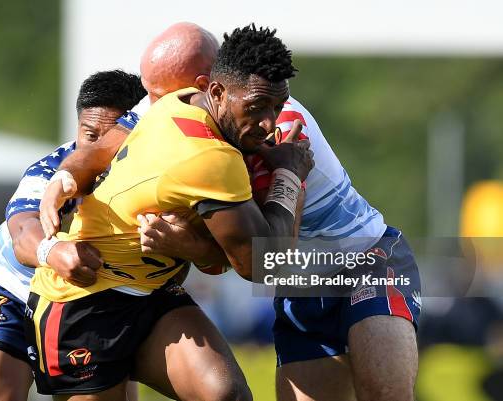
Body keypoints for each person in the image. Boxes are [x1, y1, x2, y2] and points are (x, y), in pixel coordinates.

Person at [44, 22, 421, 401]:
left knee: (385, 394)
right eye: (150, 95)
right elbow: (99, 149)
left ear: (208, 85)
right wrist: (60, 180)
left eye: (160, 95)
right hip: (300, 286)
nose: (149, 108)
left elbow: (268, 261)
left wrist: (286, 173)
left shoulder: (276, 131)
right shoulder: (172, 110)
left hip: (364, 258)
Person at [27, 24, 313, 400]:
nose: (269, 124)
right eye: (256, 108)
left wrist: (67, 174)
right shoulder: (211, 158)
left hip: (154, 293)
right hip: (84, 300)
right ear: (215, 90)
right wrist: (289, 174)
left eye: (277, 107)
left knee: (226, 396)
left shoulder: (175, 100)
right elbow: (265, 263)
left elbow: (103, 149)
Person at [0, 70, 146, 401]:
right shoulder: (50, 171)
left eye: (111, 140)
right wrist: (51, 252)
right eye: (89, 135)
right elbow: (22, 233)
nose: (98, 151)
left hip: (86, 301)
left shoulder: (153, 175)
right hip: (12, 290)